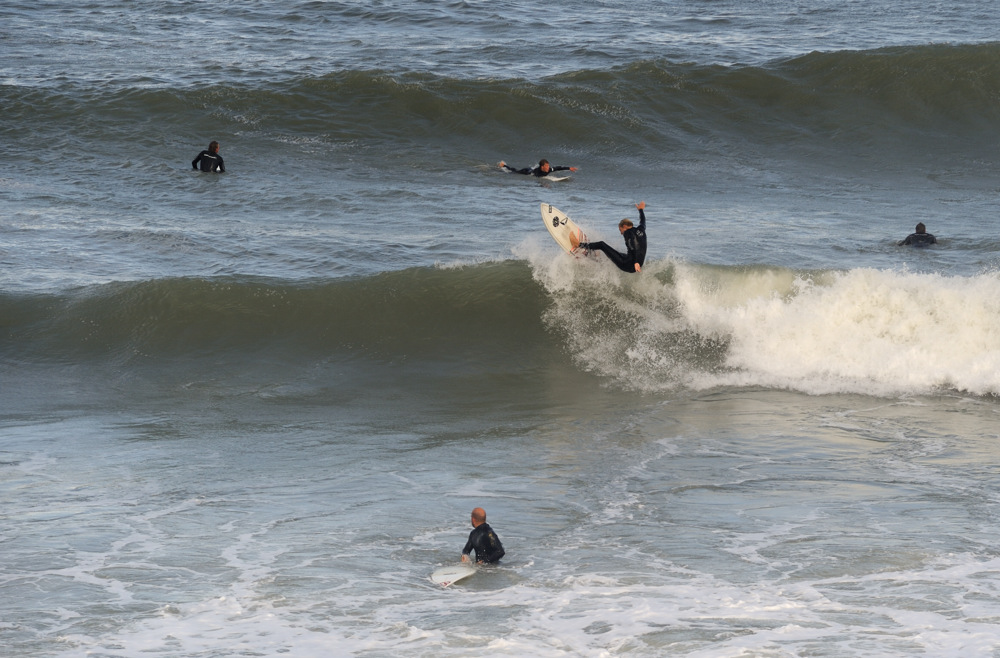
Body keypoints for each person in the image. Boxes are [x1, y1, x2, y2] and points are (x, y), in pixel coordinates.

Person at [570, 202, 648, 273]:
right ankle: (597, 255)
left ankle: (578, 244)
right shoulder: (641, 229)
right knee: (615, 252)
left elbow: (633, 246)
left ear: (624, 226)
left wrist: (636, 262)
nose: (621, 233)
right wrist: (641, 210)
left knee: (602, 244)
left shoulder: (627, 232)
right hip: (635, 264)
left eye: (620, 230)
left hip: (629, 264)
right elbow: (643, 221)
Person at [498, 158, 577, 177]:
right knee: (514, 172)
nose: (548, 167)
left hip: (531, 170)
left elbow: (558, 168)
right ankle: (504, 166)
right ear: (542, 167)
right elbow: (538, 178)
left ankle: (504, 166)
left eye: (548, 165)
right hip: (527, 171)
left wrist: (569, 168)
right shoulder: (538, 172)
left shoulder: (549, 169)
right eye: (546, 166)